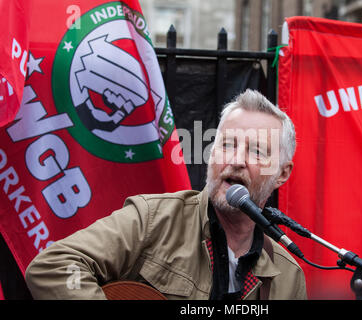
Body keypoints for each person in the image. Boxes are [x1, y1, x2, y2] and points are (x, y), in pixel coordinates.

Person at [25, 89, 307, 300]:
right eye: (228, 144)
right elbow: (55, 266)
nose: (236, 159)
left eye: (256, 151)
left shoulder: (288, 277)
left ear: (282, 173)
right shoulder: (152, 219)